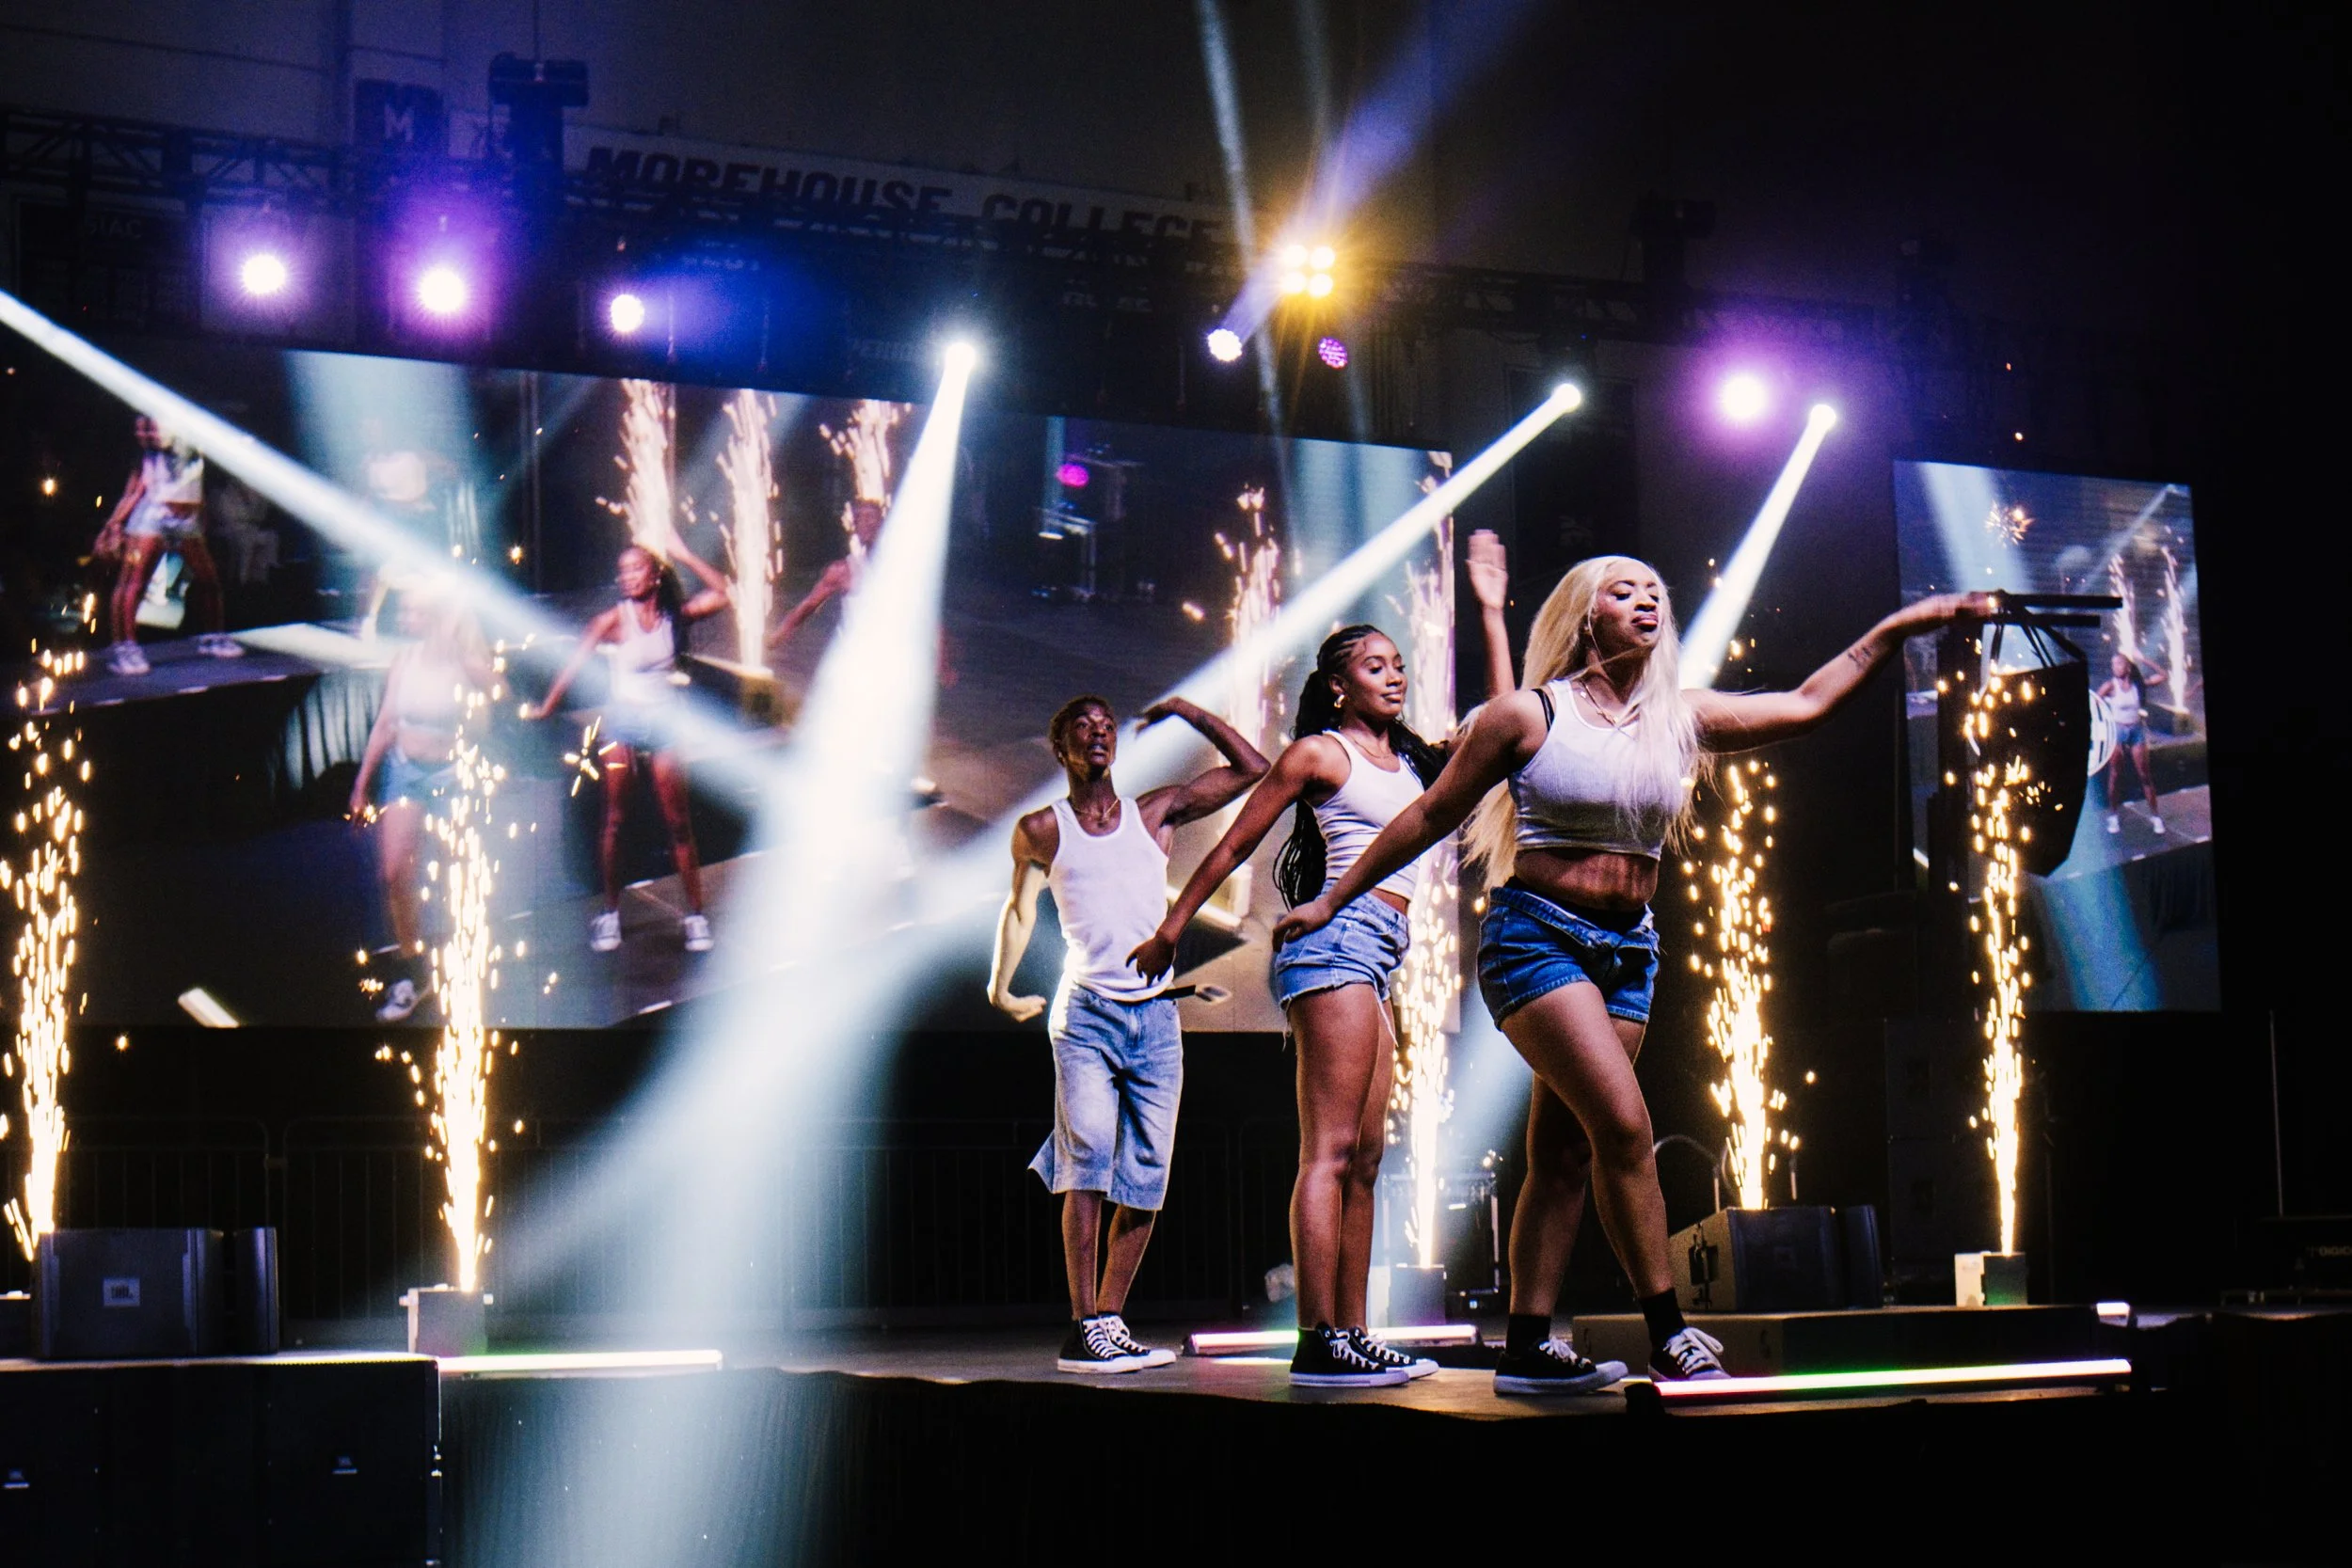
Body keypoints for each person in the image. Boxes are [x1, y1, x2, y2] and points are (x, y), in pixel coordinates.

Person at [1273, 556, 1994, 1383]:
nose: (1646, 599)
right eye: (1623, 591)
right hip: (1535, 940)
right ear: (1587, 617)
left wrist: (1907, 624)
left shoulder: (1676, 718)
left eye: (1656, 591)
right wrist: (1333, 901)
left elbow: (1806, 703)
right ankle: (1669, 1330)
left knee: (1568, 1154)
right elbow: (1431, 814)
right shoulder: (1529, 714)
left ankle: (1528, 1345)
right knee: (1625, 1127)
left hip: (1628, 949)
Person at [1129, 625, 1456, 1387]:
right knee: (1331, 1150)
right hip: (1333, 941)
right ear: (1339, 685)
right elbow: (1234, 844)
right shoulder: (1318, 753)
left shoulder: (1409, 758)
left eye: (1399, 666)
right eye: (1376, 667)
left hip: (1379, 953)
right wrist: (1173, 928)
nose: (1394, 677)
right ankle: (1317, 1338)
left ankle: (1354, 1331)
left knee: (1369, 1160)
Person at [991, 694, 1268, 1373]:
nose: (1098, 733)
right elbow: (1019, 909)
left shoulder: (1155, 812)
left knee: (1143, 1178)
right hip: (1084, 1014)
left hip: (1156, 1020)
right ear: (1061, 747)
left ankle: (1109, 1320)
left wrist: (1189, 713)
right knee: (1085, 1163)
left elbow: (1253, 767)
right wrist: (999, 985)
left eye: (1107, 726)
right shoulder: (1040, 828)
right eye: (1082, 726)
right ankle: (1083, 1323)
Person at [524, 540, 732, 954]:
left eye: (636, 569)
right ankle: (610, 915)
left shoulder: (675, 614)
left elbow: (724, 592)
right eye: (622, 571)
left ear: (654, 574)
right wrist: (547, 706)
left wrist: (685, 553)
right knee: (616, 819)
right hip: (623, 722)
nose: (628, 577)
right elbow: (574, 662)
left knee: (678, 822)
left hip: (664, 722)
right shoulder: (612, 621)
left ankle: (695, 916)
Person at [347, 586, 495, 1022]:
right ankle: (411, 970)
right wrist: (361, 785)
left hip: (450, 777)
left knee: (456, 875)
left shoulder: (465, 665)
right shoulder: (404, 660)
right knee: (394, 871)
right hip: (405, 772)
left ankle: (460, 961)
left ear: (435, 618)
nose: (405, 618)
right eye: (405, 611)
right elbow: (386, 723)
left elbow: (498, 703)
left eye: (414, 611)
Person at [94, 416, 242, 675]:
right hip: (152, 517)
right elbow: (133, 492)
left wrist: (203, 514)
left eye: (149, 429)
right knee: (133, 583)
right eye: (139, 430)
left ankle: (213, 636)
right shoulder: (146, 456)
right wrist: (113, 525)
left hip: (187, 521)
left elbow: (197, 484)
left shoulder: (195, 444)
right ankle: (123, 648)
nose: (143, 435)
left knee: (209, 580)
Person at [2098, 650, 2167, 834]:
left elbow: (2163, 676)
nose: (2115, 668)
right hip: (2118, 732)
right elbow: (2095, 702)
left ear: (2127, 667)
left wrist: (2143, 658)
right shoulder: (2110, 686)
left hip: (2136, 731)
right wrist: (2104, 728)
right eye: (2113, 665)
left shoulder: (2138, 684)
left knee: (2145, 776)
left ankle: (2156, 817)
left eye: (2119, 664)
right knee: (2115, 775)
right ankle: (2113, 816)